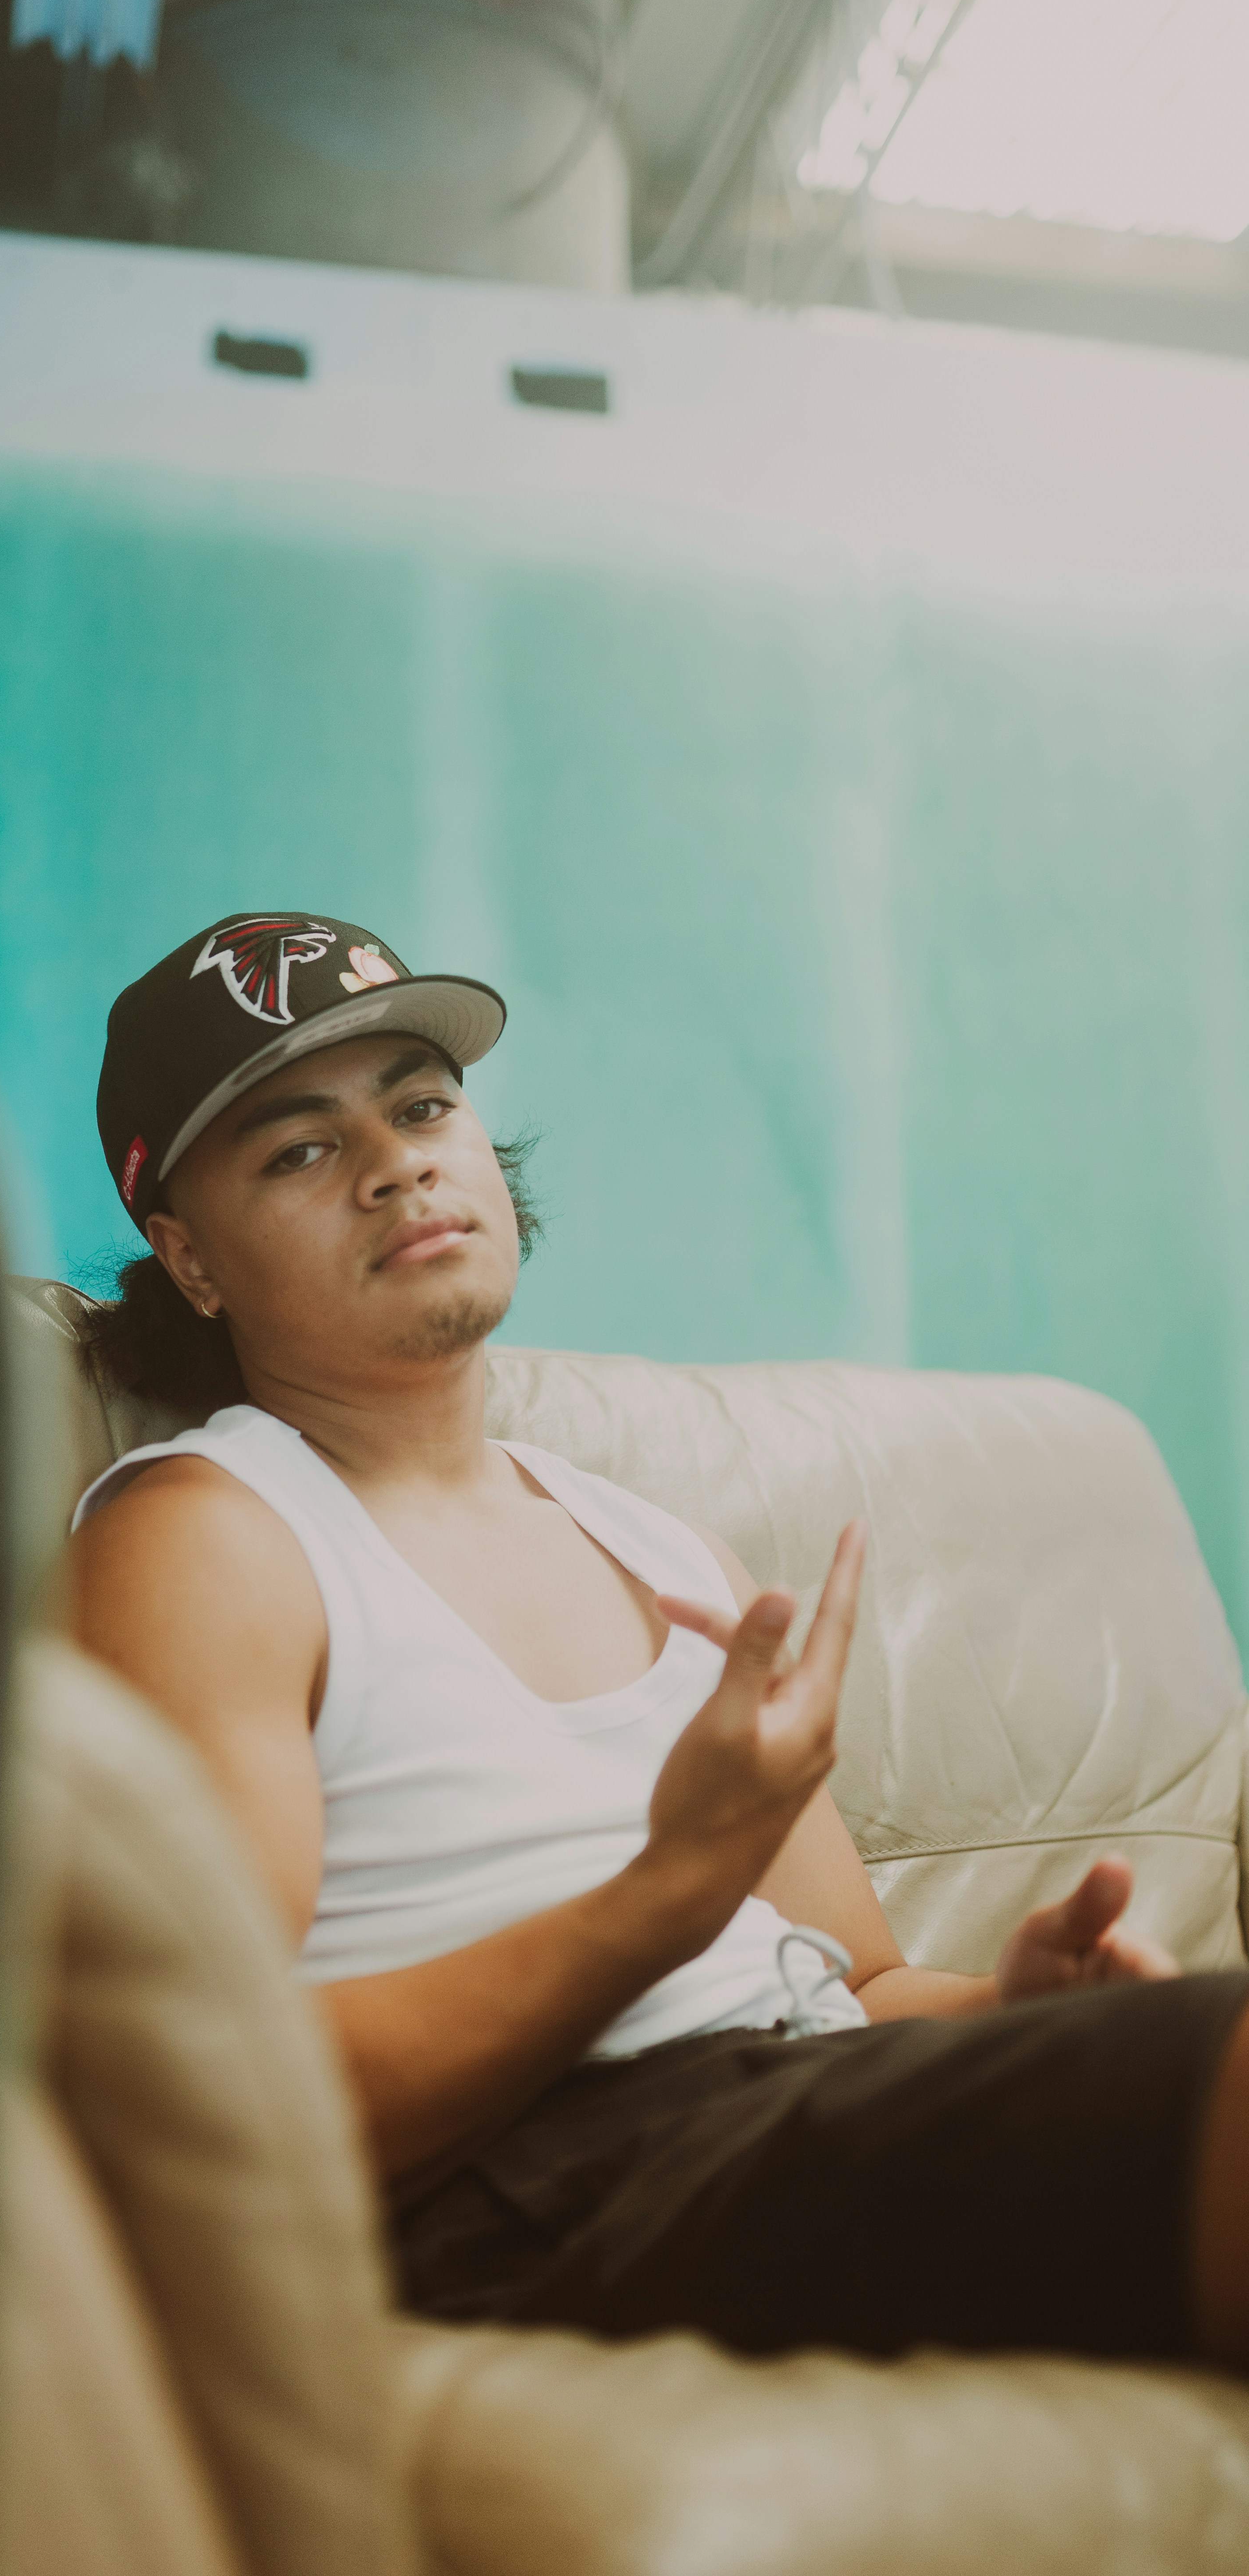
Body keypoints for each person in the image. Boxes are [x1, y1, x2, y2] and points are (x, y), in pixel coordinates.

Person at [71, 909, 1249, 2369]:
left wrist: (1018, 2014)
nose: (400, 1164)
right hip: (546, 2178)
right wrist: (668, 1890)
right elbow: (207, 2101)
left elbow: (866, 1988)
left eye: (425, 1104)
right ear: (189, 1257)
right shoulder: (212, 1535)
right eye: (300, 1149)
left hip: (779, 2111)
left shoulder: (649, 1542)